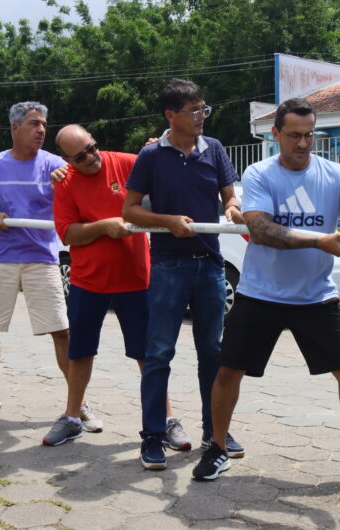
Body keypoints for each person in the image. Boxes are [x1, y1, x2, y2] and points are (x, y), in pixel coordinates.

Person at [192, 97, 340, 493]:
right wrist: (323, 240)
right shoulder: (260, 174)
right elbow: (265, 230)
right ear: (276, 134)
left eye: (308, 135)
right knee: (228, 371)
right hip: (260, 294)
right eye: (294, 136)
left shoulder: (334, 174)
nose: (303, 144)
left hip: (315, 297)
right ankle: (217, 446)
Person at [0, 102, 101, 431]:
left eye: (44, 124)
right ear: (15, 128)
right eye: (34, 124)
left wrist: (153, 147)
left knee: (62, 331)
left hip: (42, 258)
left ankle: (79, 404)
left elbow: (95, 174)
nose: (41, 130)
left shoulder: (55, 164)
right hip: (2, 257)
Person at [122, 78, 245, 470]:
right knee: (158, 354)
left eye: (204, 109)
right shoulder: (151, 157)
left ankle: (216, 433)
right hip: (169, 267)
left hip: (210, 266)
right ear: (170, 116)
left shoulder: (216, 150)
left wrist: (233, 208)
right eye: (193, 111)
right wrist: (167, 221)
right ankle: (153, 437)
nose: (201, 117)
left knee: (213, 353)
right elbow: (130, 211)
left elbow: (229, 194)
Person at [43, 124, 184, 447]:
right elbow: (67, 233)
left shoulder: (125, 162)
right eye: (79, 156)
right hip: (86, 282)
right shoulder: (65, 182)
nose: (91, 158)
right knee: (80, 352)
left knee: (149, 356)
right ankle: (72, 417)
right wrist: (104, 227)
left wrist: (157, 149)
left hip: (135, 281)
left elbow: (163, 172)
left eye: (91, 148)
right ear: (66, 159)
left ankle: (165, 421)